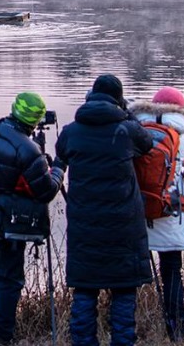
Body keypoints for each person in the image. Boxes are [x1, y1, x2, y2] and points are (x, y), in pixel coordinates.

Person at [0, 92, 65, 345]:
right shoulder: (28, 152)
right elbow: (46, 191)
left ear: (13, 109)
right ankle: (2, 336)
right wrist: (58, 168)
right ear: (36, 120)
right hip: (7, 224)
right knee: (9, 279)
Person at [55, 74, 153, 346]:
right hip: (124, 226)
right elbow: (147, 144)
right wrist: (128, 113)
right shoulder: (126, 130)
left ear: (90, 97)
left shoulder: (71, 132)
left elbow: (61, 153)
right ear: (118, 100)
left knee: (85, 290)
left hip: (85, 226)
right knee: (124, 291)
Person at [129, 86, 184, 342]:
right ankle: (177, 328)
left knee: (130, 277)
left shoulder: (135, 133)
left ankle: (127, 326)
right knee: (172, 272)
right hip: (169, 213)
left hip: (138, 213)